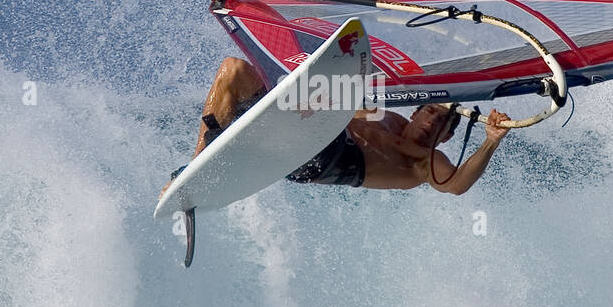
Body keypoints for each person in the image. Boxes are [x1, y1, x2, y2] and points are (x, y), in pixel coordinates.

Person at [175, 56, 512, 196]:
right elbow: (341, 103)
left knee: (319, 110)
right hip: (302, 136)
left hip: (325, 161)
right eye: (429, 112)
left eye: (441, 122)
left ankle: (244, 146)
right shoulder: (387, 114)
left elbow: (456, 185)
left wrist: (491, 142)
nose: (431, 121)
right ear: (416, 111)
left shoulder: (425, 162)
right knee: (234, 71)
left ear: (449, 136)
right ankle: (199, 164)